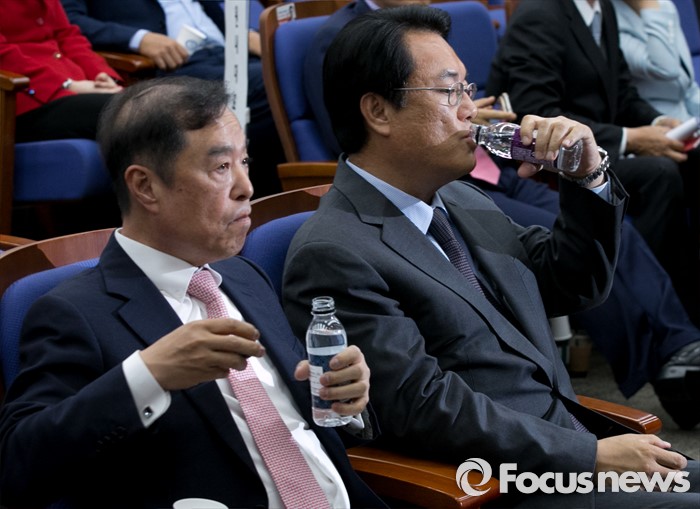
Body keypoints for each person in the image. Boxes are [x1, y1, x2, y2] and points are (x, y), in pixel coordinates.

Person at [282, 5, 700, 508]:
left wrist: (586, 178)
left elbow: (572, 285)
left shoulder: (459, 197)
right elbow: (425, 407)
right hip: (502, 485)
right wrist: (587, 455)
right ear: (378, 112)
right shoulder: (335, 251)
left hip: (567, 449)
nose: (470, 110)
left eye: (468, 89)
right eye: (449, 92)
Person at [0, 76, 386, 509]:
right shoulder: (72, 312)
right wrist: (148, 375)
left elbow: (303, 422)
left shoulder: (244, 276)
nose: (246, 187)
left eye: (244, 161)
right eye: (221, 168)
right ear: (145, 187)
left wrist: (344, 400)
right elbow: (18, 466)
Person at [487, 0, 700, 327]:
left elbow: (623, 93)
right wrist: (631, 138)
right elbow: (537, 114)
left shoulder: (602, 9)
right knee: (658, 174)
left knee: (691, 158)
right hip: (554, 163)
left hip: (601, 146)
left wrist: (657, 122)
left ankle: (686, 307)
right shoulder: (539, 16)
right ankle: (644, 314)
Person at [60, 0, 285, 198]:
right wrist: (138, 38)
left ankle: (281, 192)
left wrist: (242, 34)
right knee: (277, 81)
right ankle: (268, 196)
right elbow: (69, 21)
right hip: (177, 66)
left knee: (291, 68)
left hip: (229, 51)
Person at [0, 0, 122, 143]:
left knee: (140, 103)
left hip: (77, 87)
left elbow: (68, 36)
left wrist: (102, 76)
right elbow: (4, 56)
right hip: (24, 97)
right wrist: (66, 85)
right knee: (125, 111)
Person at [611, 0, 700, 121]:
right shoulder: (610, 20)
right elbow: (666, 69)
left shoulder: (664, 5)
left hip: (688, 106)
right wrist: (649, 7)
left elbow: (687, 81)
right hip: (656, 117)